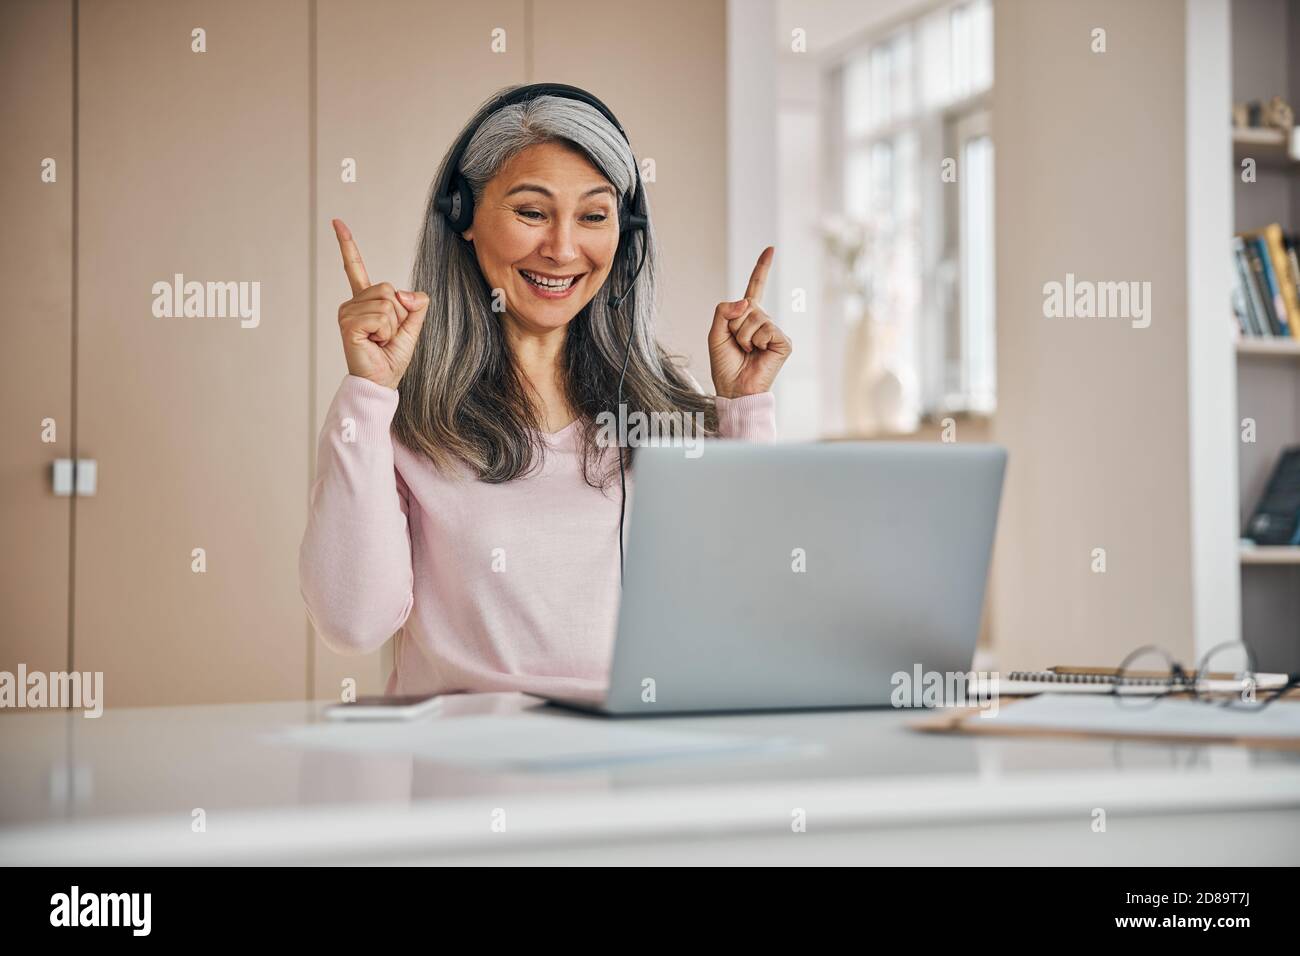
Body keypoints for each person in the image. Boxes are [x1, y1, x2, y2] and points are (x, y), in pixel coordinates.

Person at [299, 88, 791, 699]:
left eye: (593, 215)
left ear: (626, 232)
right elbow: (353, 623)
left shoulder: (667, 407)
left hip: (633, 770)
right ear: (465, 218)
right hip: (468, 774)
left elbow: (751, 612)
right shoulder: (405, 415)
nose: (562, 249)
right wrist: (369, 394)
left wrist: (743, 411)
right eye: (532, 212)